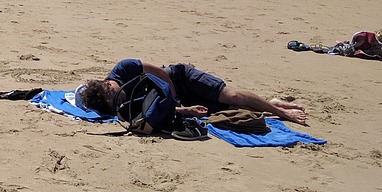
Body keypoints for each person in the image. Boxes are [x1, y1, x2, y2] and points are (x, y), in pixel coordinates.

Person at [74, 59, 308, 126]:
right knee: (231, 111)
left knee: (231, 97)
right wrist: (182, 109)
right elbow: (152, 107)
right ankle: (271, 103)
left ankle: (282, 112)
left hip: (179, 78)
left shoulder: (124, 69)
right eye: (115, 101)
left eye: (115, 93)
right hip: (174, 99)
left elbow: (160, 75)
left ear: (107, 84)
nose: (120, 97)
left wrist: (175, 97)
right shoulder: (118, 105)